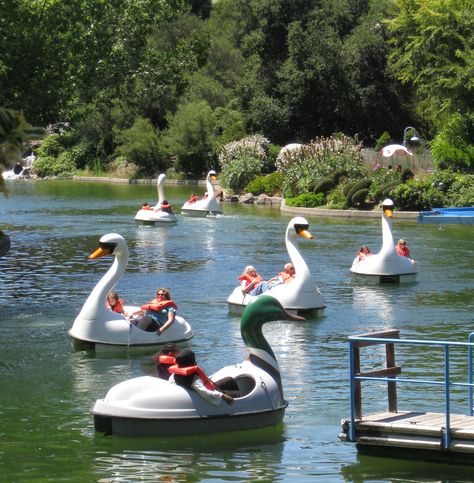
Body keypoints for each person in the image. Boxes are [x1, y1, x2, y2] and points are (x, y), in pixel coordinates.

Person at [169, 349, 235, 405]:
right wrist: (223, 396)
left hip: (210, 387)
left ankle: (225, 391)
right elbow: (205, 392)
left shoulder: (176, 373)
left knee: (229, 379)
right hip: (212, 393)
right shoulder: (193, 379)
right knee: (236, 394)